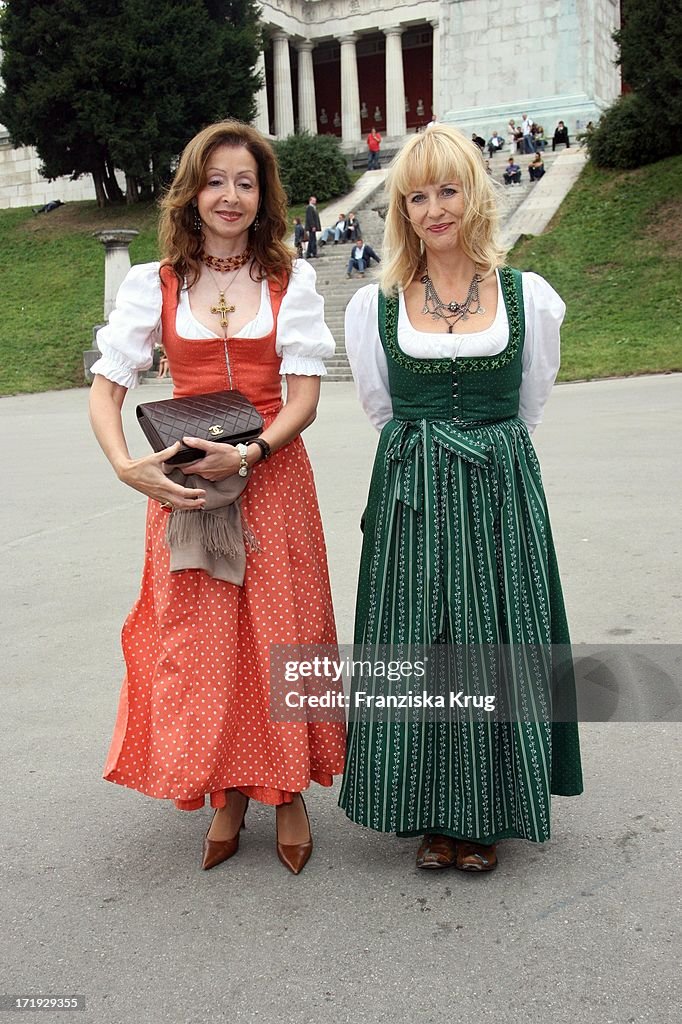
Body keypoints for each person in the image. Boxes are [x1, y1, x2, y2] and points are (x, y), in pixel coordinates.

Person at [88, 120, 346, 875]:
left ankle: (289, 789)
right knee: (203, 643)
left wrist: (255, 448)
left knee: (283, 632)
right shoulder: (155, 283)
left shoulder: (288, 281)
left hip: (272, 477)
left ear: (263, 196)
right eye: (215, 180)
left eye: (245, 182)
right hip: (186, 484)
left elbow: (303, 399)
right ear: (191, 191)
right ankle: (229, 788)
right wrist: (124, 465)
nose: (229, 196)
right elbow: (109, 389)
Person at [338, 124, 583, 872]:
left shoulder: (527, 298)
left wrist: (480, 451)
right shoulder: (374, 307)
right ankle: (430, 814)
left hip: (499, 485)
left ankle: (486, 814)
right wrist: (432, 451)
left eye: (448, 189)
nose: (434, 208)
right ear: (402, 211)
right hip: (413, 487)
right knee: (421, 638)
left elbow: (528, 405)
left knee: (495, 639)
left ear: (475, 195)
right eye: (417, 196)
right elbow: (383, 410)